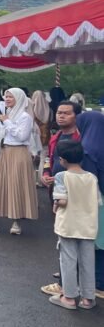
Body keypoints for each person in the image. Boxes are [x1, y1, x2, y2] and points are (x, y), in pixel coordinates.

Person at [48, 139, 100, 311]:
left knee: (68, 261)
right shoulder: (91, 178)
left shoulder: (62, 176)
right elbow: (98, 201)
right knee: (87, 261)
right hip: (88, 226)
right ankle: (88, 298)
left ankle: (69, 297)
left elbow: (62, 200)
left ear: (62, 160)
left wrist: (55, 204)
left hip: (69, 225)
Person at [39, 100, 84, 297]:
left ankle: (70, 280)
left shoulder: (81, 137)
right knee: (60, 232)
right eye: (59, 112)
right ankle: (65, 268)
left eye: (66, 113)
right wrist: (46, 173)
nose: (61, 116)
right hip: (55, 191)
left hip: (74, 194)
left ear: (76, 116)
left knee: (72, 235)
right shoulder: (55, 137)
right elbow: (49, 158)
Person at [0, 88, 38, 235]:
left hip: (19, 152)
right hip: (4, 152)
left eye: (10, 97)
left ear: (19, 98)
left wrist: (7, 122)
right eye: (6, 96)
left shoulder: (25, 117)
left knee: (17, 185)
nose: (7, 99)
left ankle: (16, 221)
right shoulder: (5, 115)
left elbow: (21, 136)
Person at [76, 112, 104, 300]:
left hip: (95, 202)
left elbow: (87, 182)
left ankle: (97, 283)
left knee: (94, 242)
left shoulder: (87, 149)